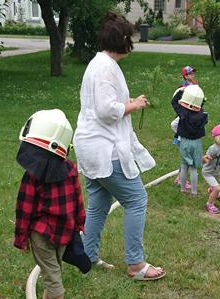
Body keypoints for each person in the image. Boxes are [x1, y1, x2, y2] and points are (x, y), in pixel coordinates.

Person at [73, 12, 165, 281]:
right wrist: (133, 105)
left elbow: (105, 103)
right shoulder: (104, 67)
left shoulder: (101, 64)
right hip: (104, 149)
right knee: (137, 200)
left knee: (99, 203)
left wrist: (130, 101)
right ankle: (135, 264)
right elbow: (105, 110)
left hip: (93, 146)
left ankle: (87, 256)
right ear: (123, 40)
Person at [14, 109, 85, 299]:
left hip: (42, 234)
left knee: (51, 273)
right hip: (65, 231)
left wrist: (21, 239)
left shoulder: (32, 176)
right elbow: (78, 198)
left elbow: (24, 209)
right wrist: (79, 223)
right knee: (54, 269)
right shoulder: (71, 169)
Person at [171, 84, 208, 197]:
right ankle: (194, 192)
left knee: (184, 166)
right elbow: (200, 109)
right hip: (196, 143)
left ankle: (183, 189)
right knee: (193, 168)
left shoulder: (183, 113)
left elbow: (174, 102)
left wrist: (181, 92)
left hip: (184, 142)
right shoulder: (203, 115)